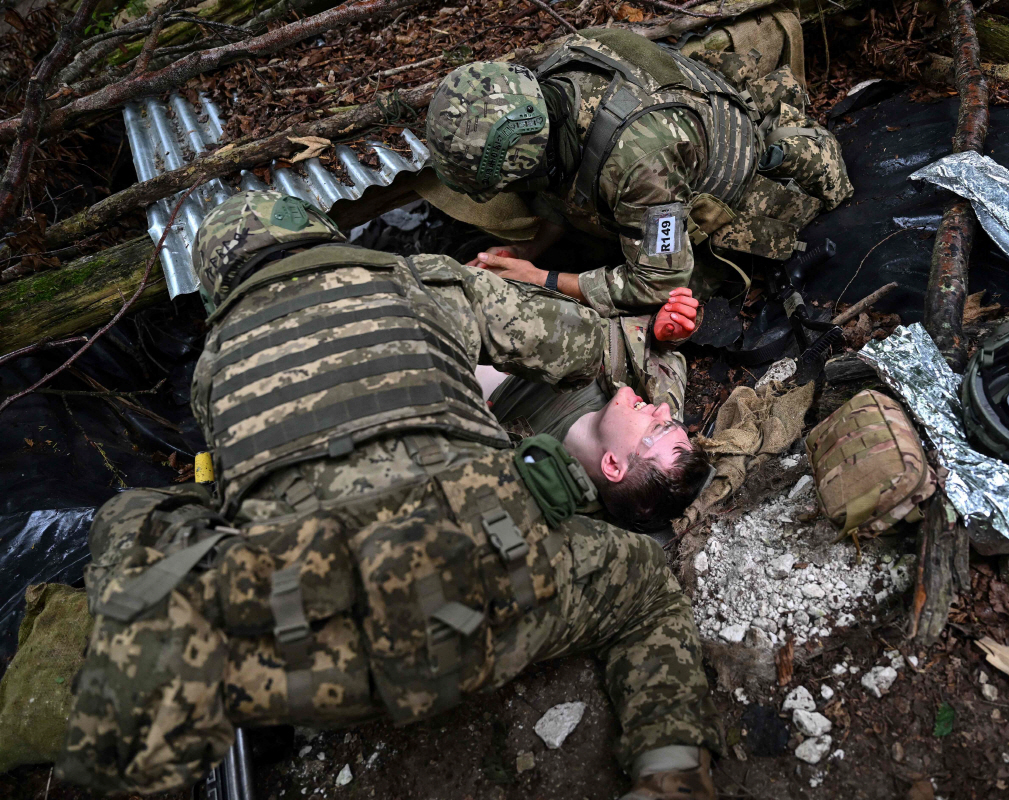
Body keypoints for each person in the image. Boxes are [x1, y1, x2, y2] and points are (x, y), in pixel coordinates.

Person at [58, 191, 721, 800]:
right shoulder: (419, 282)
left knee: (132, 514)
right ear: (323, 235)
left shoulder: (215, 364)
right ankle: (669, 776)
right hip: (490, 591)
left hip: (318, 656)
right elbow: (578, 343)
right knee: (648, 594)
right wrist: (637, 339)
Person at [425, 26, 853, 316]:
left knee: (664, 310)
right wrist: (527, 252)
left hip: (725, 179)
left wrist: (542, 279)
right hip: (681, 126)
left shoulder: (642, 163)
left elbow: (659, 284)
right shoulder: (548, 83)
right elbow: (560, 179)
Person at [480, 285, 708, 531]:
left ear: (612, 465)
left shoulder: (520, 476)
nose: (662, 409)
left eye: (658, 428)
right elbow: (663, 354)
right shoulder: (637, 393)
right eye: (672, 422)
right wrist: (659, 329)